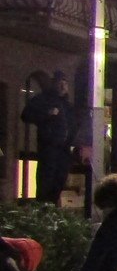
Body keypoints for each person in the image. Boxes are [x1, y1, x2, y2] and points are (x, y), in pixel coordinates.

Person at [20, 70, 76, 205]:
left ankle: (52, 208)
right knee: (46, 181)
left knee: (59, 180)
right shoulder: (43, 99)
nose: (63, 87)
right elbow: (26, 115)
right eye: (60, 83)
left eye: (65, 84)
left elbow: (73, 125)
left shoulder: (67, 105)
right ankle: (43, 210)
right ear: (54, 84)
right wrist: (47, 114)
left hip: (64, 149)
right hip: (49, 148)